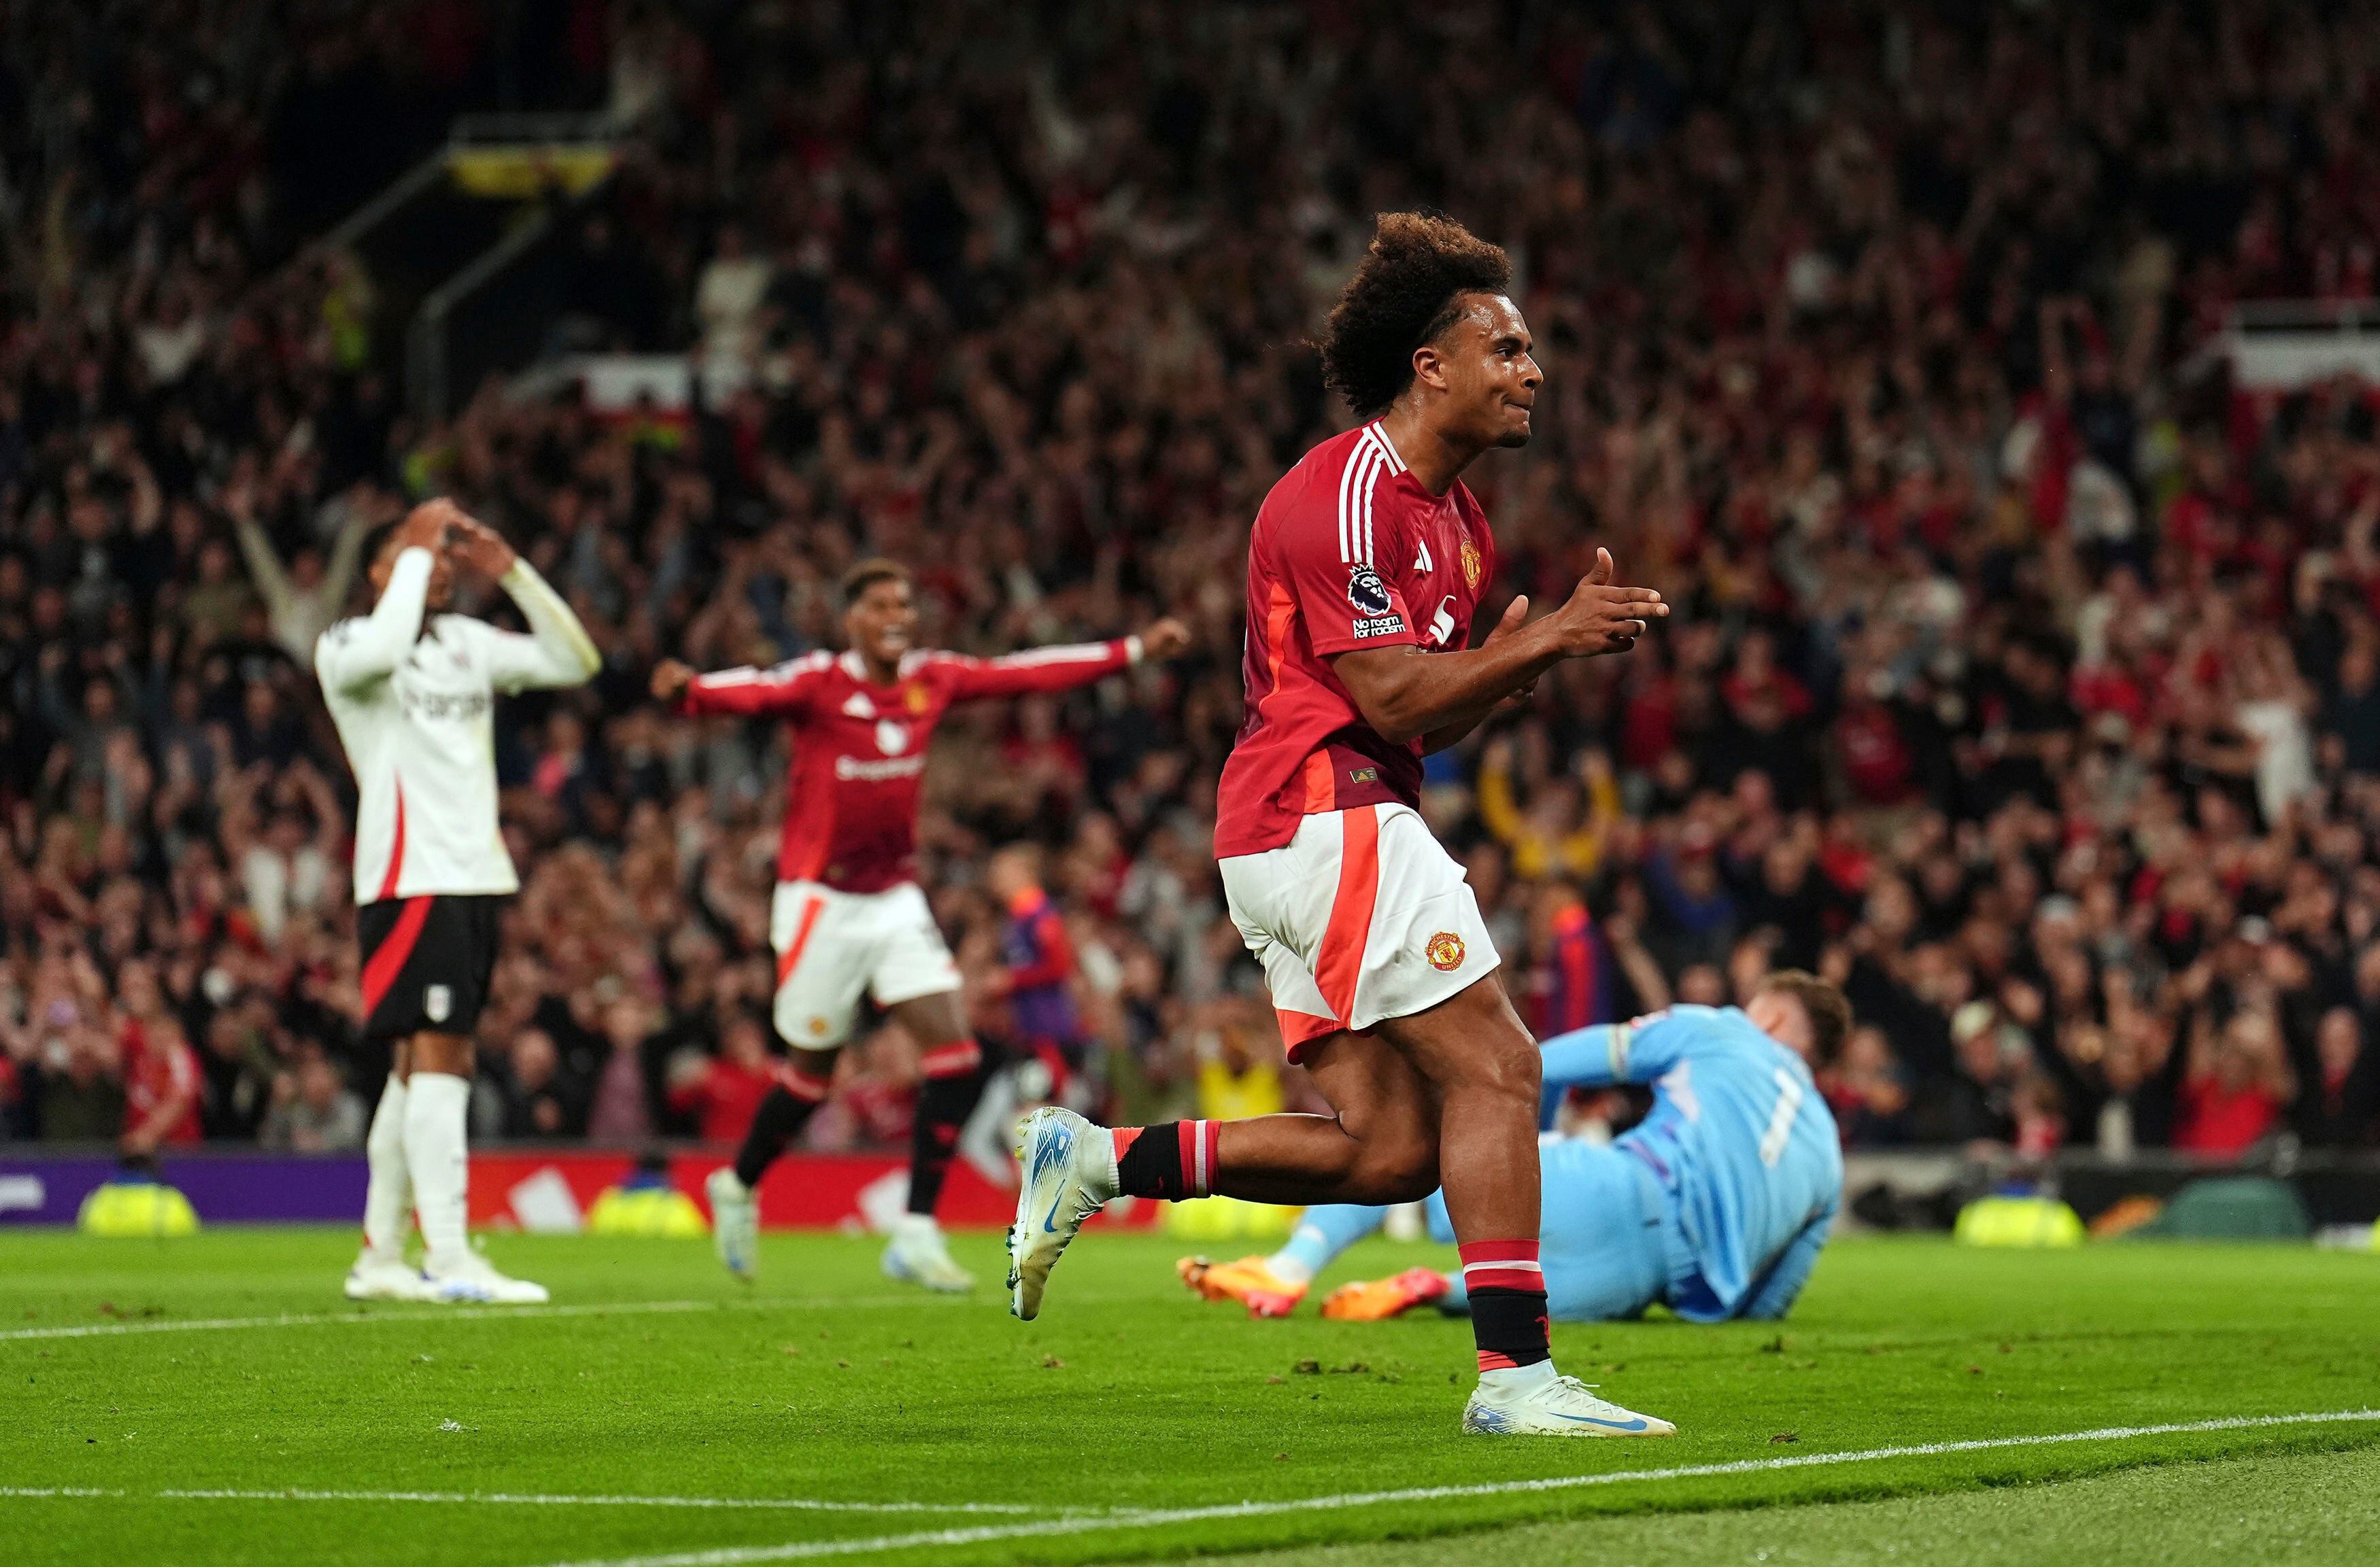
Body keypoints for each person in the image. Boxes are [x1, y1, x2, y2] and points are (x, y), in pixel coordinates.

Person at [1008, 211, 1673, 1438]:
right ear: (1432, 366)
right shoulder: (1347, 490)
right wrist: (1537, 642)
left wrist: (1518, 666)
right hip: (1322, 809)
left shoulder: (1462, 529)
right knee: (1502, 1068)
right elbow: (1390, 698)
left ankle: (1094, 1161)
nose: (1533, 372)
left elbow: (1426, 722)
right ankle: (1516, 1381)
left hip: (1314, 822)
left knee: (1388, 1152)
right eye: (1507, 349)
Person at [651, 558, 1188, 1292]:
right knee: (810, 1077)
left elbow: (1024, 673)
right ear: (851, 619)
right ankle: (739, 1184)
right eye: (879, 605)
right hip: (820, 902)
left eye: (903, 604)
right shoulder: (821, 682)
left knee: (954, 1056)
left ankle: (914, 1231)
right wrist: (693, 690)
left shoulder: (931, 678)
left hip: (894, 899)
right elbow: (757, 689)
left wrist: (1131, 650)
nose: (896, 616)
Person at [1180, 971, 1848, 1334]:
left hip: (1610, 1187)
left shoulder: (1722, 1030)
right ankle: (1432, 1288)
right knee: (1512, 1292)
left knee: (1416, 1143)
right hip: (1636, 1283)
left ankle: (1291, 1266)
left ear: (1771, 1018)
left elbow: (1539, 1063)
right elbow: (1768, 1306)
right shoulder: (1829, 1159)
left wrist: (1522, 1150)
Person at [318, 498, 600, 1303]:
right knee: (442, 1057)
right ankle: (447, 1255)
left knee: (418, 1069)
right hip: (412, 875)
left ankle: (380, 1257)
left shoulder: (466, 644)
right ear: (381, 571)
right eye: (418, 556)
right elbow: (384, 646)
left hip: (474, 873)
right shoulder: (347, 646)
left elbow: (575, 660)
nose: (439, 566)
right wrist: (415, 545)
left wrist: (512, 571)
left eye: (444, 558)